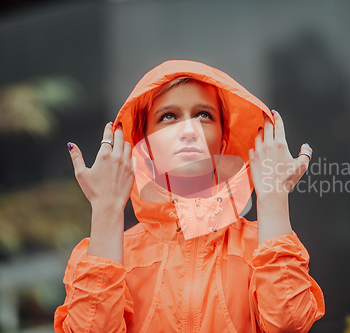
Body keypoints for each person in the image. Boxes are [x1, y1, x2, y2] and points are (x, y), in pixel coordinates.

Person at [54, 59, 325, 332]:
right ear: (143, 144)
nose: (188, 131)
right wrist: (106, 209)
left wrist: (273, 195)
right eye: (168, 117)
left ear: (223, 139)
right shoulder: (102, 251)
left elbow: (290, 324)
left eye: (203, 115)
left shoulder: (264, 244)